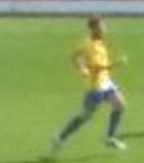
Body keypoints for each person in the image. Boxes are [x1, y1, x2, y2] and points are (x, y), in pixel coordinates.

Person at [50, 17, 129, 155]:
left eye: (104, 26)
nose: (105, 29)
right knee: (85, 116)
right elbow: (96, 67)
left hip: (106, 82)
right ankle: (60, 138)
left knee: (120, 105)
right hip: (95, 87)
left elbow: (76, 57)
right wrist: (117, 63)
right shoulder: (89, 45)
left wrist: (81, 67)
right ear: (93, 29)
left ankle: (110, 137)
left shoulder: (97, 42)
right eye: (102, 27)